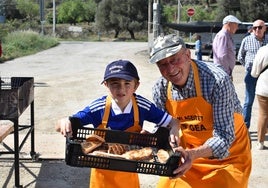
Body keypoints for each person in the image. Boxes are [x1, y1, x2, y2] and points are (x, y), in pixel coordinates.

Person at [55, 59, 179, 188]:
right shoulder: (98, 108)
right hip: (101, 173)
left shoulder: (143, 106)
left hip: (129, 171)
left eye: (127, 83)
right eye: (115, 84)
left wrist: (174, 129)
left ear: (136, 85)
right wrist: (64, 121)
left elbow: (173, 122)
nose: (121, 89)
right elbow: (63, 124)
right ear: (106, 85)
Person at [149, 34, 252, 188]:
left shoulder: (216, 81)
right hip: (186, 155)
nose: (170, 69)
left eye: (174, 59)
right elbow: (164, 128)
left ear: (188, 55)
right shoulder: (161, 88)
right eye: (162, 64)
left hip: (229, 156)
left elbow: (224, 138)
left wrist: (193, 154)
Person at [237, 19, 268, 129]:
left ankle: (265, 127)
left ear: (265, 28)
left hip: (265, 77)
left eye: (260, 27)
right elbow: (240, 57)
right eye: (255, 28)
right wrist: (248, 67)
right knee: (248, 101)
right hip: (250, 75)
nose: (257, 30)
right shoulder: (247, 40)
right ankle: (245, 127)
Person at [251, 44, 268, 150]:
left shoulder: (262, 50)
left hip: (264, 87)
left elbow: (254, 72)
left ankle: (260, 142)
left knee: (263, 115)